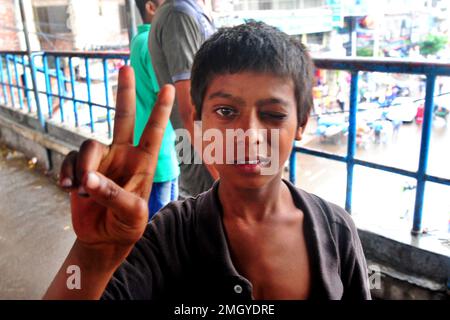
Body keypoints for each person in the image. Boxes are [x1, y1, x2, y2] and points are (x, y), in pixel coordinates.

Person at [44, 22, 371, 300]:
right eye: (227, 112)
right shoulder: (168, 236)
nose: (249, 135)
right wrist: (92, 255)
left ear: (301, 124)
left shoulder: (336, 231)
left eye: (272, 115)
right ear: (198, 122)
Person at [148, 0, 219, 199]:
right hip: (202, 150)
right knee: (209, 213)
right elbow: (188, 108)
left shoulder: (191, 11)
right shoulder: (178, 15)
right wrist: (220, 172)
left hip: (207, 145)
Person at [130, 0, 180, 219]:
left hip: (150, 142)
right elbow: (168, 93)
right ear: (151, 8)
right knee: (161, 223)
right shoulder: (151, 43)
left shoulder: (138, 39)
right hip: (159, 149)